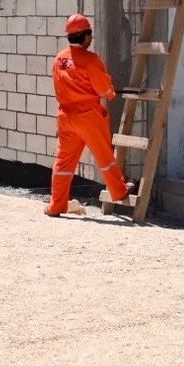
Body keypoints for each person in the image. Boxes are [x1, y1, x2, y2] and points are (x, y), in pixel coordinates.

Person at [45, 13, 133, 217]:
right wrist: (110, 91)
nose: (91, 37)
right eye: (90, 34)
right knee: (104, 155)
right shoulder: (91, 60)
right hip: (88, 116)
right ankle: (119, 191)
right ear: (85, 35)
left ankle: (56, 205)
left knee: (63, 162)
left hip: (66, 115)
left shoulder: (59, 58)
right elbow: (104, 89)